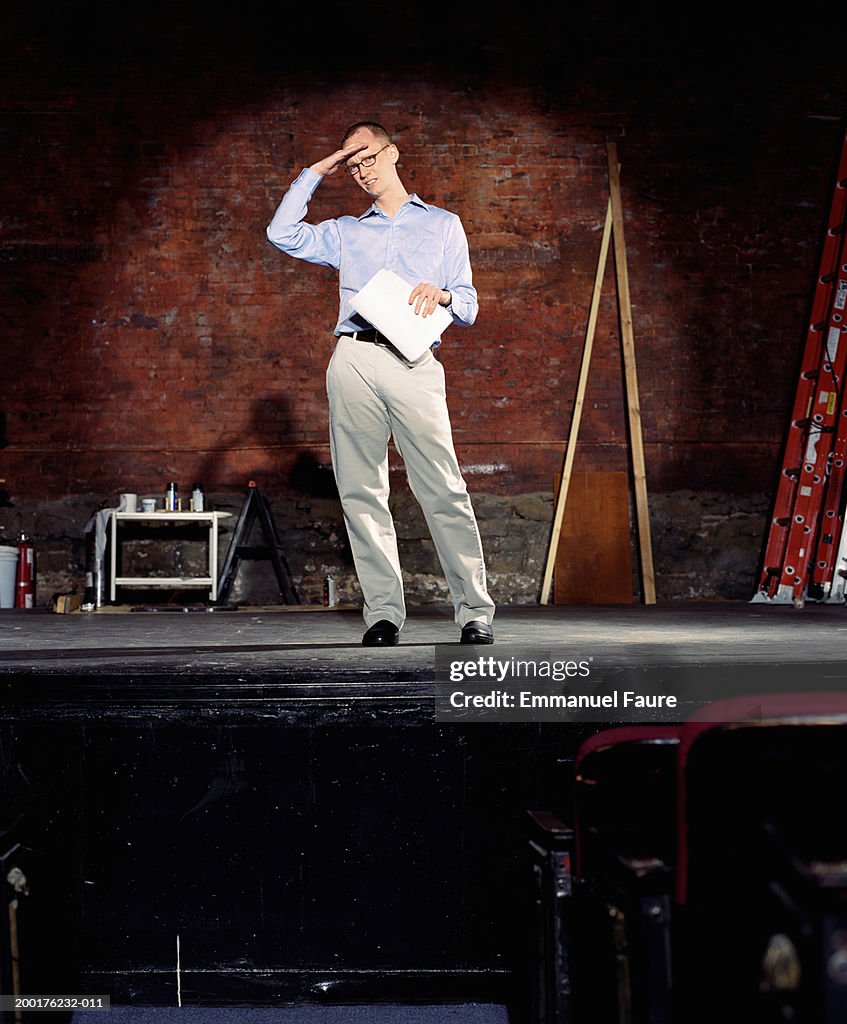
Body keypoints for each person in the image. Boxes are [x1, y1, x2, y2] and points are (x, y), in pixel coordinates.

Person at [266, 121, 495, 646]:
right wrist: (317, 170)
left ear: (393, 153)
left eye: (368, 157)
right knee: (361, 490)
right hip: (353, 358)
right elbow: (282, 234)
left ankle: (475, 612)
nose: (362, 170)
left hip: (414, 361)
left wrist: (441, 295)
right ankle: (384, 614)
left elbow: (469, 304)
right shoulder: (347, 230)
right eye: (352, 164)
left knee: (443, 488)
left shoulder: (442, 225)